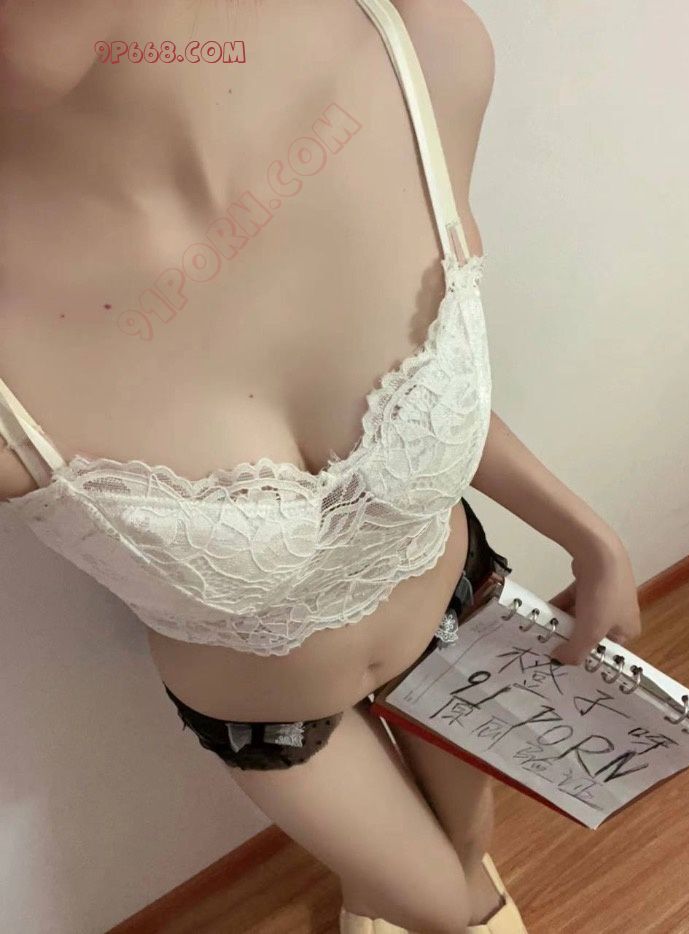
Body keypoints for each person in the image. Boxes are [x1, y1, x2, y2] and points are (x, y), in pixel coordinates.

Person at [0, 1, 641, 932]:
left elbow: (435, 391)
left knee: (468, 846)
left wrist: (590, 535)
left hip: (455, 618)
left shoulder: (419, 51)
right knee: (447, 906)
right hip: (278, 720)